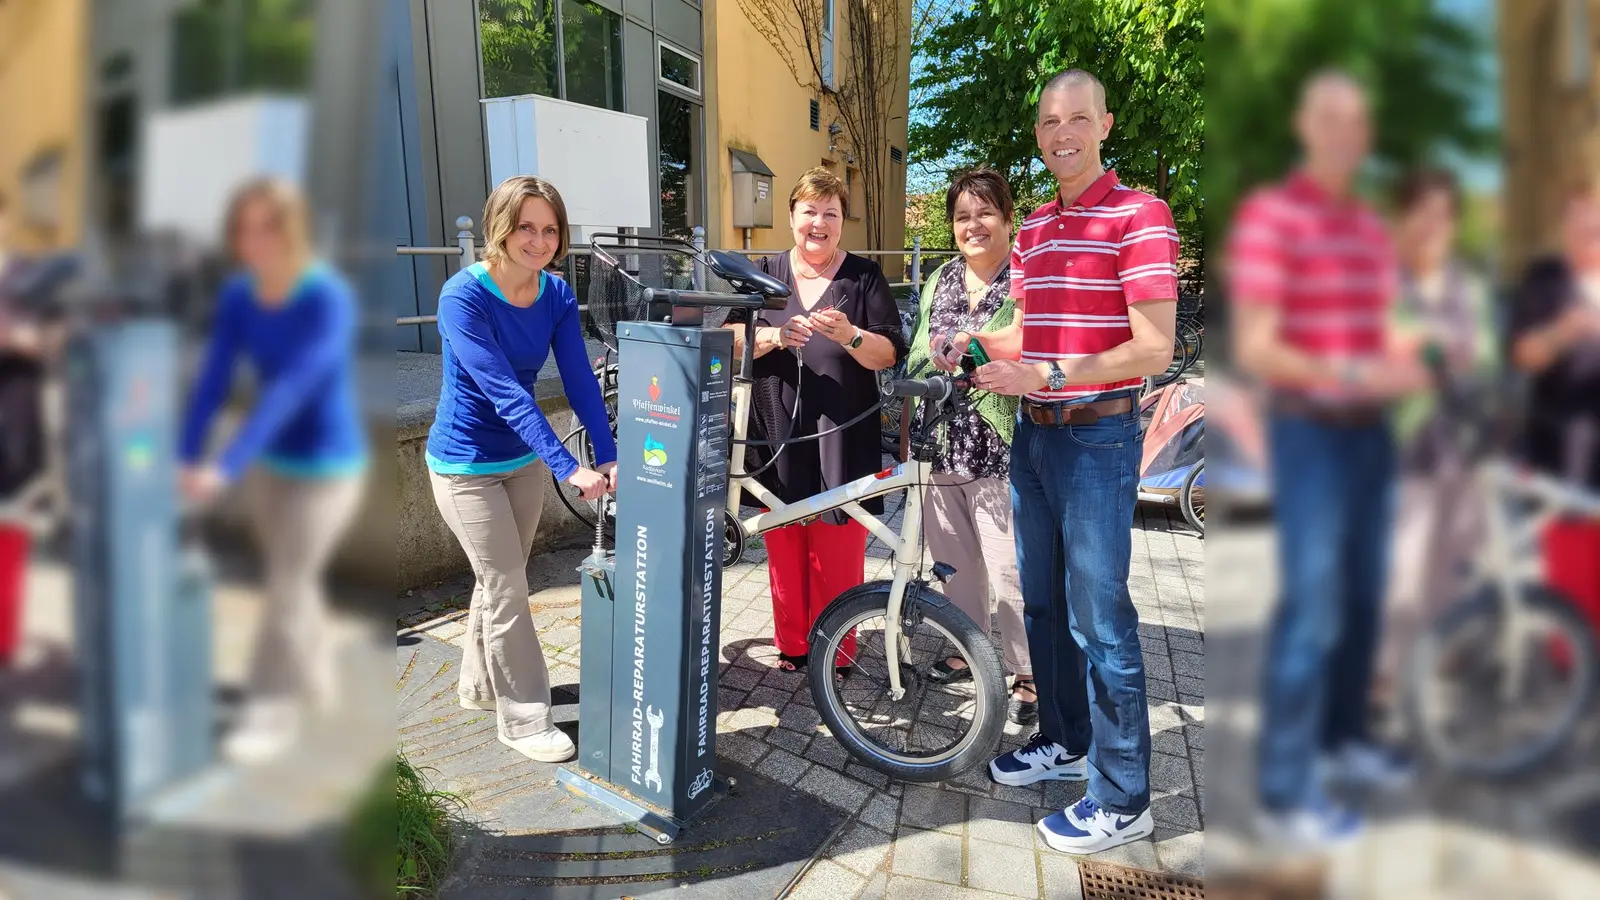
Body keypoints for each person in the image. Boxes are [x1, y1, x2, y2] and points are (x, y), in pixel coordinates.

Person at [936, 69, 1179, 855]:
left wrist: (1044, 373)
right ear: (1038, 134)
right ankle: (1067, 740)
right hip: (1034, 436)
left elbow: (1153, 346)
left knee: (1099, 619)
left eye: (1078, 118)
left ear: (1104, 124)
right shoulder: (1036, 227)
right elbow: (1030, 333)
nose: (1062, 133)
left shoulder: (1140, 215)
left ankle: (1124, 797)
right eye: (1049, 121)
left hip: (1097, 438)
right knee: (1040, 605)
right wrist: (973, 342)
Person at [1227, 70, 1428, 845]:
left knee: (1365, 596)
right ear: (1306, 128)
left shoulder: (1369, 227)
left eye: (1356, 122)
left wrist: (1416, 358)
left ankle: (1346, 740)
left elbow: (1381, 327)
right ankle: (1285, 792)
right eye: (1330, 120)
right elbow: (1258, 344)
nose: (1345, 135)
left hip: (1372, 433)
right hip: (1310, 433)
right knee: (1311, 608)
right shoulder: (1272, 219)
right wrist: (1346, 372)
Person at [178, 177, 370, 763]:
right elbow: (213, 380)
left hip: (329, 467)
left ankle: (270, 713)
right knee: (294, 580)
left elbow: (292, 389)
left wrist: (225, 465)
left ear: (292, 229)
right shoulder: (240, 296)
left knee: (286, 585)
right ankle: (318, 676)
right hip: (272, 466)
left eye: (268, 226)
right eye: (244, 228)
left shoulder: (327, 297)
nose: (254, 239)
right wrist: (185, 456)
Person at [425, 175, 617, 763]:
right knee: (507, 586)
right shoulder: (463, 297)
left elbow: (579, 377)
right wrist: (567, 465)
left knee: (498, 579)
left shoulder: (555, 294)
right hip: (465, 466)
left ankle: (478, 685)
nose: (539, 240)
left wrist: (607, 451)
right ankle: (525, 718)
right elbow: (505, 392)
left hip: (521, 461)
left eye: (550, 229)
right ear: (500, 228)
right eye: (526, 227)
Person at [723, 167, 907, 674]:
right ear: (791, 216)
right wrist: (774, 337)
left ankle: (837, 650)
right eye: (809, 211)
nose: (819, 223)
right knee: (784, 538)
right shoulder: (764, 272)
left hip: (843, 431)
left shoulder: (864, 277)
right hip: (775, 426)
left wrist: (851, 335)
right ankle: (793, 645)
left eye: (831, 212)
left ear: (842, 221)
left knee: (838, 538)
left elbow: (890, 352)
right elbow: (729, 339)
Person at [904, 167, 1035, 726]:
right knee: (955, 565)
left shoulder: (1025, 277)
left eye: (985, 213)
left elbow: (1031, 351)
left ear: (1007, 218)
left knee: (1010, 572)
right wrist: (932, 355)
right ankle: (969, 648)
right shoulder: (940, 279)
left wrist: (974, 349)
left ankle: (1028, 672)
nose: (973, 225)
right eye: (962, 216)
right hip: (941, 443)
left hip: (1003, 448)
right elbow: (914, 352)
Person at [1373, 167, 1497, 707]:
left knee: (1455, 565)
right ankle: (1383, 683)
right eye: (1423, 213)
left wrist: (1436, 353)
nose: (1433, 225)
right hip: (1403, 448)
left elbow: (1483, 356)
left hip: (1464, 447)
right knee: (1404, 574)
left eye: (1443, 215)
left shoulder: (1466, 286)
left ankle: (1439, 672)